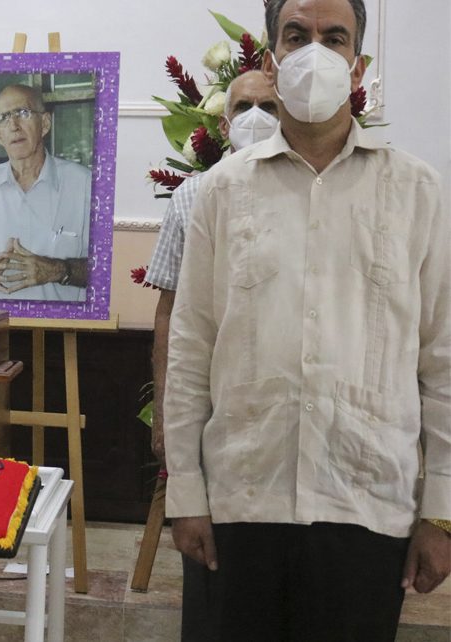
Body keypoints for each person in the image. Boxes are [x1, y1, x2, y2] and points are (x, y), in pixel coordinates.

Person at [164, 0, 451, 639]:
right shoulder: (222, 190)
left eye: (334, 37)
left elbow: (442, 361)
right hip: (241, 499)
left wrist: (442, 513)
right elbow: (190, 348)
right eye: (297, 36)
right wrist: (184, 492)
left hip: (367, 500)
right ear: (272, 59)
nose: (314, 51)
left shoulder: (416, 192)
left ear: (359, 63)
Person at [146, 69, 278, 642]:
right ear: (222, 125)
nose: (256, 118)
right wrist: (166, 412)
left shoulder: (316, 190)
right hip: (218, 415)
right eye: (244, 107)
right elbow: (170, 315)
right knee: (219, 584)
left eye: (268, 106)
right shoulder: (194, 196)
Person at [0, 83, 91, 301]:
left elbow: (105, 269)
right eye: (4, 118)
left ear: (45, 123)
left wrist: (57, 270)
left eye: (23, 113)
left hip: (63, 327)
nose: (14, 125)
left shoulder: (84, 184)